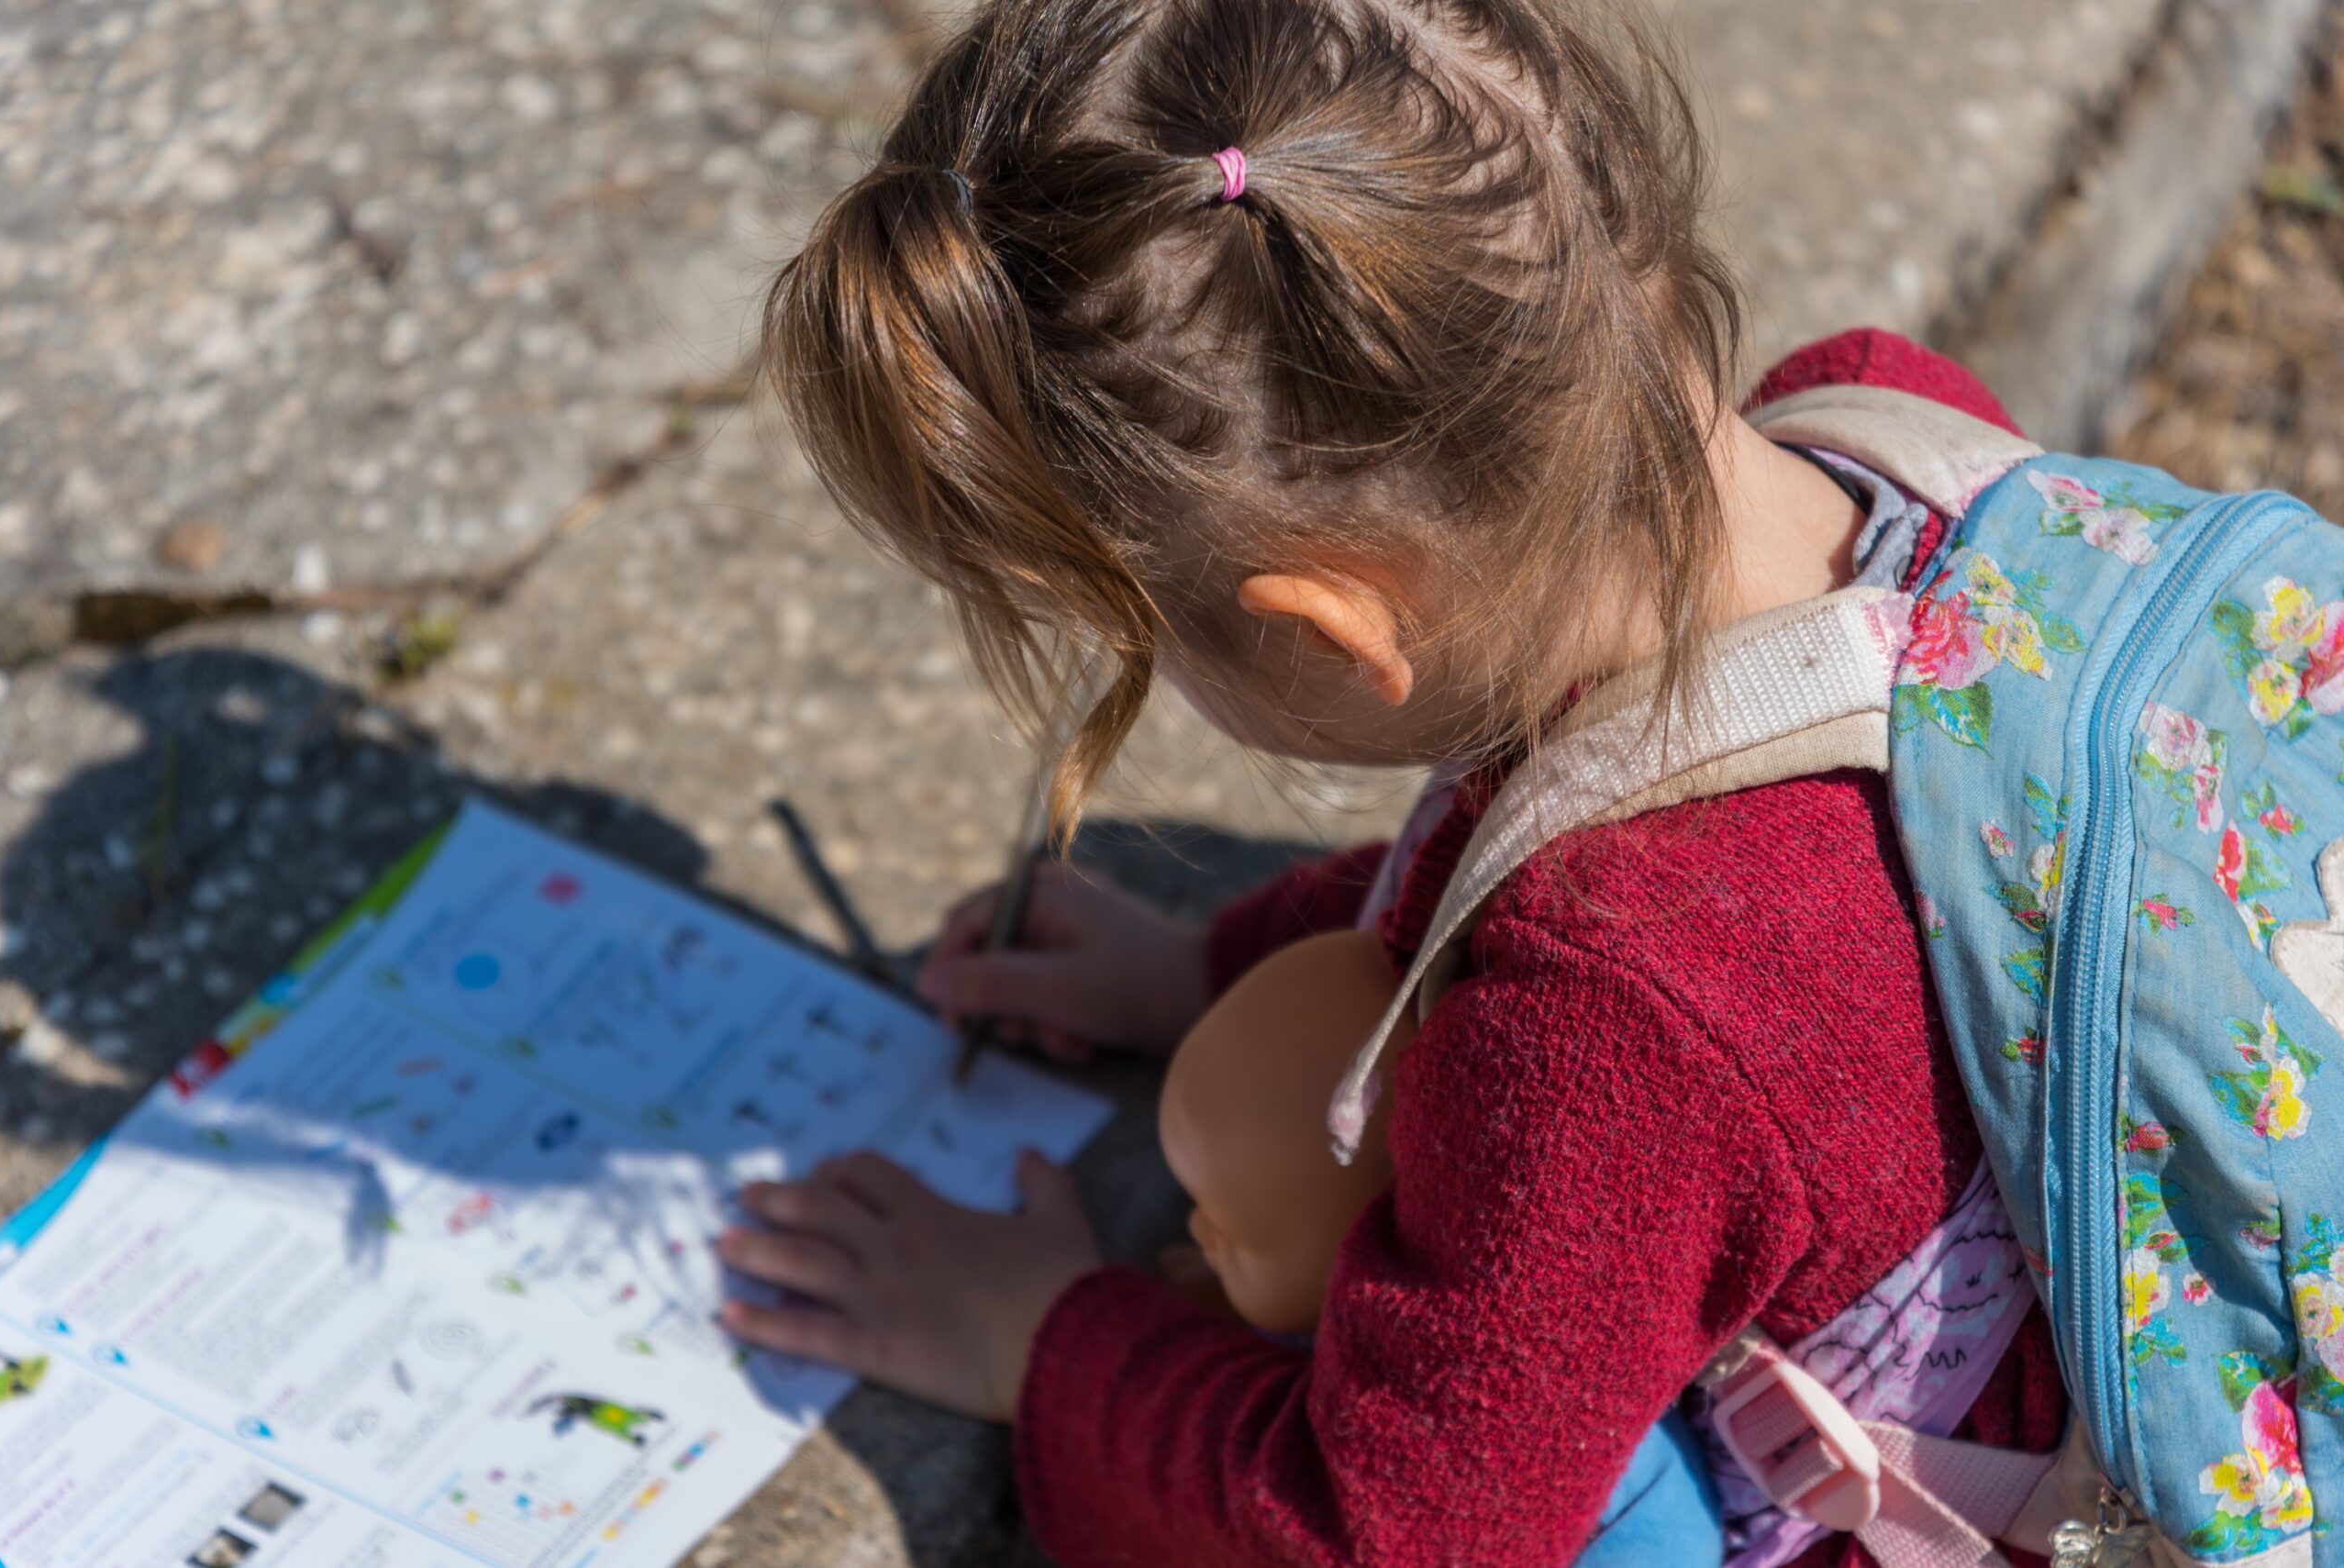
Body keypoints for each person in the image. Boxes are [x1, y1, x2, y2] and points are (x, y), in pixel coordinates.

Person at [715, 0, 2065, 1562]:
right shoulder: (1883, 420)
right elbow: (1586, 803)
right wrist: (1199, 966)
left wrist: (1039, 1343)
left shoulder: (1616, 1013)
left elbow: (1394, 1531)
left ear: (1337, 633)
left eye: (1149, 638)